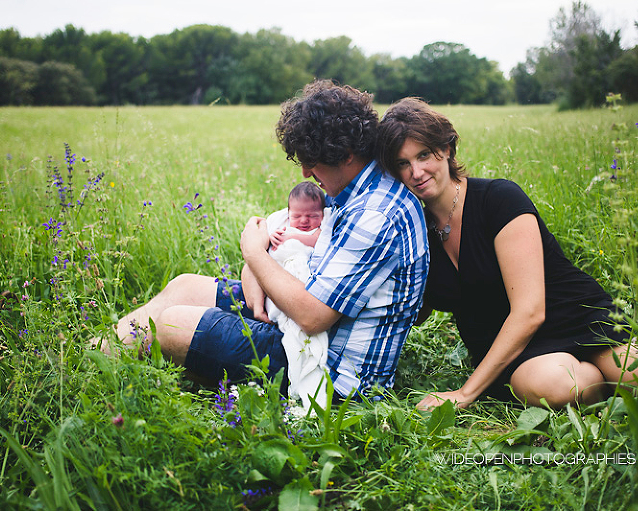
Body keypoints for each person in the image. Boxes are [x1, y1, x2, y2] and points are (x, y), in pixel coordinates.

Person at [110, 80, 429, 402]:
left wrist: (252, 252)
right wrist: (257, 266)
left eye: (311, 160)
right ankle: (93, 358)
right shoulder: (353, 190)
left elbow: (313, 317)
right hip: (304, 328)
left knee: (172, 325)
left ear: (346, 155)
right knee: (184, 287)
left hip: (331, 372)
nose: (305, 172)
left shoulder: (376, 213)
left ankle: (135, 372)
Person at [376, 97, 638, 410]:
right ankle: (594, 379)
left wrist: (464, 394)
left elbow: (530, 311)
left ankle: (604, 370)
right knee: (559, 387)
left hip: (573, 317)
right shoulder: (415, 231)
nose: (416, 171)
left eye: (424, 155)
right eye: (402, 163)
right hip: (513, 351)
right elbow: (414, 310)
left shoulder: (498, 198)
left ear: (447, 149)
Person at [245, 181, 331, 407]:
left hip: (302, 291)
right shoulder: (281, 225)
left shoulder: (318, 231)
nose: (304, 221)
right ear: (288, 214)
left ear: (322, 214)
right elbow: (268, 252)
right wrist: (274, 238)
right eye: (297, 216)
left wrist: (293, 237)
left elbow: (317, 239)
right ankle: (263, 310)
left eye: (312, 215)